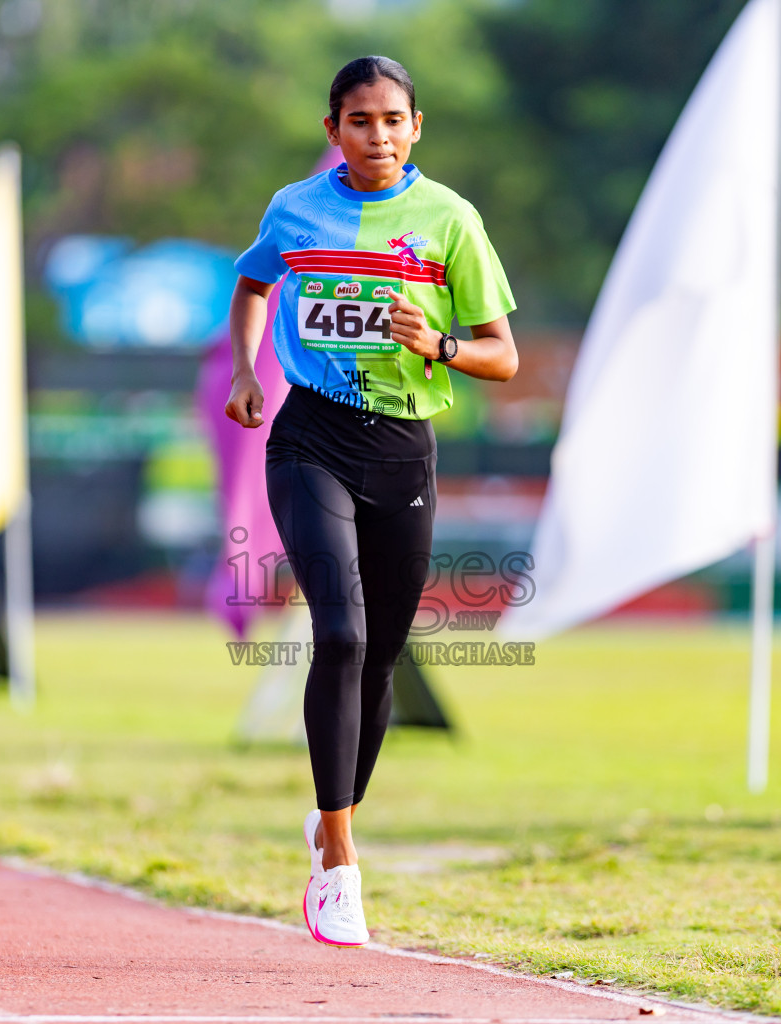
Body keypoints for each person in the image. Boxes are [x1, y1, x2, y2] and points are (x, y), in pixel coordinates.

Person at [225, 55, 518, 947]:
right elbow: (251, 283)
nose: (377, 137)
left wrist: (436, 343)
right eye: (359, 121)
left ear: (416, 128)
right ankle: (340, 859)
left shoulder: (450, 220)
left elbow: (502, 354)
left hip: (403, 448)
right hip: (310, 435)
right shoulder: (295, 209)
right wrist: (247, 367)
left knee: (383, 653)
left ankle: (334, 813)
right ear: (333, 131)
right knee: (341, 632)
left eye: (393, 120)